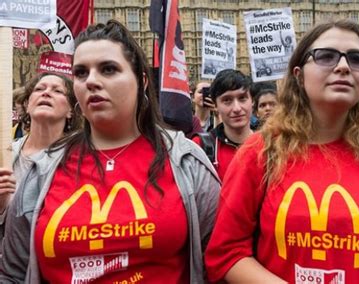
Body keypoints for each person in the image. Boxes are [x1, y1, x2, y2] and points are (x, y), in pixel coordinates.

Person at [205, 20, 359, 283]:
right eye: (326, 56)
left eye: (356, 59)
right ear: (298, 75)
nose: (343, 66)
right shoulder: (260, 152)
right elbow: (227, 252)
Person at [0, 20, 220, 283]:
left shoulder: (186, 161)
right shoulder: (41, 171)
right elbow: (13, 273)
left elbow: (219, 262)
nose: (92, 81)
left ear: (141, 81)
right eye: (81, 73)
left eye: (108, 69)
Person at [0, 72, 83, 240]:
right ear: (27, 105)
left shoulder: (81, 158)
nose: (46, 93)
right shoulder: (5, 155)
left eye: (58, 91)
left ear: (71, 112)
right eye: (39, 89)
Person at [192, 69, 253, 180]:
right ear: (215, 105)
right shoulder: (199, 146)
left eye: (242, 98)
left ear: (252, 101)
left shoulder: (271, 145)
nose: (237, 108)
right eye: (227, 100)